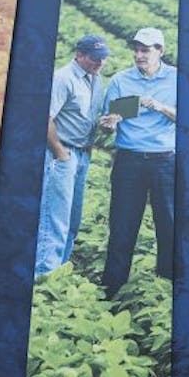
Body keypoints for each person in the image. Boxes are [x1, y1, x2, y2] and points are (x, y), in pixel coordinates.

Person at [98, 27, 177, 298]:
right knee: (122, 225)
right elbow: (110, 118)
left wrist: (158, 106)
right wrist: (109, 122)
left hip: (165, 162)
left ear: (160, 51)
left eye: (145, 50)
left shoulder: (177, 79)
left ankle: (166, 285)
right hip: (128, 161)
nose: (139, 55)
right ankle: (111, 289)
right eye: (136, 49)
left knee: (169, 225)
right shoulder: (121, 80)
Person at [35, 34, 110, 275]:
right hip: (62, 153)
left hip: (83, 154)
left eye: (103, 59)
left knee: (72, 218)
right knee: (55, 216)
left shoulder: (96, 80)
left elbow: (86, 117)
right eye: (94, 58)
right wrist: (60, 152)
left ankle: (61, 271)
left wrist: (105, 123)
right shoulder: (63, 78)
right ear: (79, 54)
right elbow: (44, 117)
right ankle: (44, 273)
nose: (99, 63)